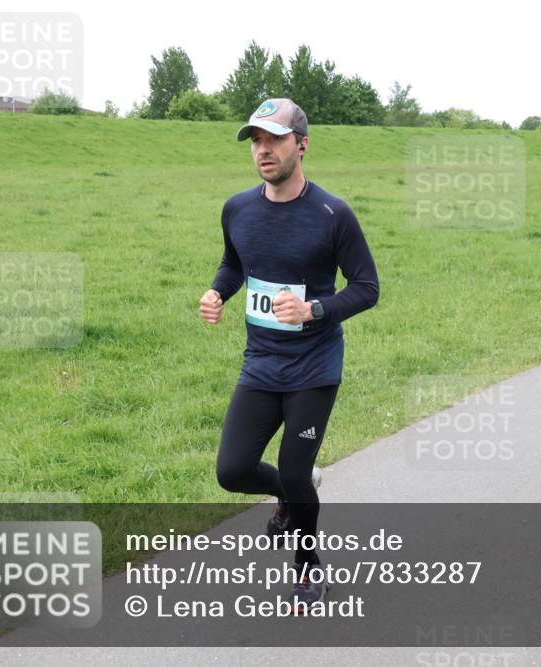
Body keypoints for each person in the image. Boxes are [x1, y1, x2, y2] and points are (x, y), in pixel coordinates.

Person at [199, 98, 380, 611]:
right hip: (261, 363)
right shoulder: (237, 208)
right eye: (255, 140)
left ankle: (306, 570)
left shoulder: (332, 214)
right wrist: (217, 293)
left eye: (274, 139)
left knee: (297, 472)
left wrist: (315, 310)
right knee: (232, 471)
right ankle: (290, 493)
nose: (262, 150)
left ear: (301, 144)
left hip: (314, 368)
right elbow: (235, 264)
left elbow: (367, 288)